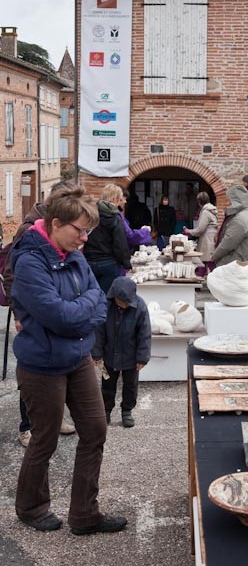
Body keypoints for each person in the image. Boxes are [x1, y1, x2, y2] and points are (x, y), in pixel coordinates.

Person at [10, 185, 127, 534]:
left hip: (76, 357)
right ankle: (30, 508)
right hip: (42, 366)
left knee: (95, 430)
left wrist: (79, 314)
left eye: (88, 231)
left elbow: (98, 298)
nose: (85, 239)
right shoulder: (30, 261)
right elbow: (59, 316)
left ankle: (84, 514)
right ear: (57, 223)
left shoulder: (73, 254)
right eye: (80, 230)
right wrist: (81, 314)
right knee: (44, 439)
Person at [3, 181, 77, 447]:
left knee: (59, 366)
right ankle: (27, 427)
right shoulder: (28, 230)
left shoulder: (62, 229)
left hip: (55, 308)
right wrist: (19, 313)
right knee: (33, 368)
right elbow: (10, 275)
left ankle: (54, 418)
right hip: (32, 312)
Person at [92, 277, 151, 428]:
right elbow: (99, 332)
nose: (124, 305)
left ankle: (127, 411)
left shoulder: (140, 307)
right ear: (113, 297)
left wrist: (142, 357)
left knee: (131, 385)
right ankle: (105, 410)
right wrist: (96, 354)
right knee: (107, 383)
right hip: (109, 356)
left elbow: (144, 334)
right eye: (120, 301)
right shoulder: (105, 306)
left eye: (127, 302)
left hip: (131, 358)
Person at [83, 184, 131, 294]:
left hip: (89, 261)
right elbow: (120, 244)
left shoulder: (91, 214)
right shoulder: (115, 217)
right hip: (108, 263)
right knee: (106, 298)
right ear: (115, 198)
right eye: (120, 199)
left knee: (91, 295)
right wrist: (126, 263)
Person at [212, 185, 248, 267]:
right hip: (233, 263)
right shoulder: (240, 216)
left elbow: (228, 243)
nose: (227, 203)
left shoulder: (240, 220)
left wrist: (214, 256)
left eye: (229, 200)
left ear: (236, 201)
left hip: (234, 265)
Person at [183, 192, 218, 276]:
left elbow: (201, 229)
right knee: (206, 261)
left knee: (205, 262)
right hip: (211, 238)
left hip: (207, 240)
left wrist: (188, 231)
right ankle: (202, 281)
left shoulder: (205, 212)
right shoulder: (212, 210)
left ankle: (202, 281)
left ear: (199, 201)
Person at [118, 187, 152, 253]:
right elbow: (149, 216)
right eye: (124, 199)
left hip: (132, 228)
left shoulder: (129, 208)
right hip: (139, 228)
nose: (125, 202)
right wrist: (147, 226)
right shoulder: (143, 206)